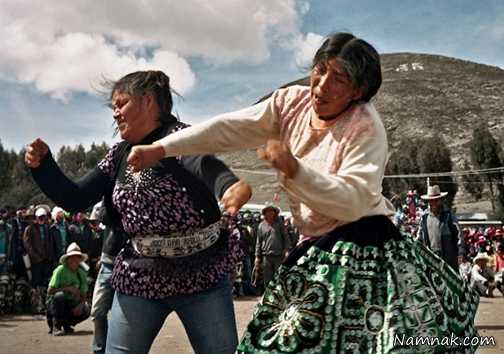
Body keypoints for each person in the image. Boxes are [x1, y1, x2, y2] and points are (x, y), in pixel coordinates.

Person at [128, 32, 480, 353]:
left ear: (358, 91)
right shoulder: (290, 104)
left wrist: (296, 170)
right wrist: (162, 148)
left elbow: (354, 198)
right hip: (316, 246)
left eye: (338, 78)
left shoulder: (365, 126)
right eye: (320, 70)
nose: (321, 86)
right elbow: (229, 128)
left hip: (366, 244)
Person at [25, 70, 251, 354]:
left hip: (201, 275)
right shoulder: (119, 155)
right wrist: (44, 166)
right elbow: (75, 198)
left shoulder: (180, 138)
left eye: (121, 104)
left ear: (147, 101)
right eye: (114, 108)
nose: (115, 113)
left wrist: (227, 186)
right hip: (141, 278)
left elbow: (203, 164)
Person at [46, 242, 90, 336]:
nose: (74, 260)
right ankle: (56, 325)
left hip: (71, 304)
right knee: (59, 296)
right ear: (67, 259)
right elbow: (50, 291)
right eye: (72, 257)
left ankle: (67, 325)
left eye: (77, 257)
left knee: (86, 309)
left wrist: (80, 305)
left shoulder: (81, 274)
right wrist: (67, 288)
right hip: (55, 305)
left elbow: (84, 295)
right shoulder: (60, 270)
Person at [417, 185, 464, 271]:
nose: (434, 203)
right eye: (431, 201)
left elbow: (458, 235)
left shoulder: (448, 215)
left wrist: (460, 253)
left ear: (440, 200)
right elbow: (419, 237)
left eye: (436, 200)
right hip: (432, 258)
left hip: (448, 258)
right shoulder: (424, 217)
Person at [23, 207, 58, 314]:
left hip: (46, 260)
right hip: (36, 261)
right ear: (36, 218)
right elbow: (28, 245)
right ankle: (36, 307)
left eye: (44, 217)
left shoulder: (48, 228)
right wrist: (36, 257)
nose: (42, 219)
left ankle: (44, 306)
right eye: (40, 217)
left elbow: (50, 244)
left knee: (44, 283)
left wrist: (50, 257)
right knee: (35, 284)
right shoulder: (29, 229)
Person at [254, 205, 291, 288]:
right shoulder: (261, 226)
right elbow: (258, 242)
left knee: (279, 277)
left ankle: (278, 296)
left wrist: (286, 250)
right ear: (265, 214)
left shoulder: (279, 224)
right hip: (266, 256)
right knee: (267, 279)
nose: (270, 213)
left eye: (272, 211)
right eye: (268, 211)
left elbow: (286, 237)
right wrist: (257, 257)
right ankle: (267, 296)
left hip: (278, 255)